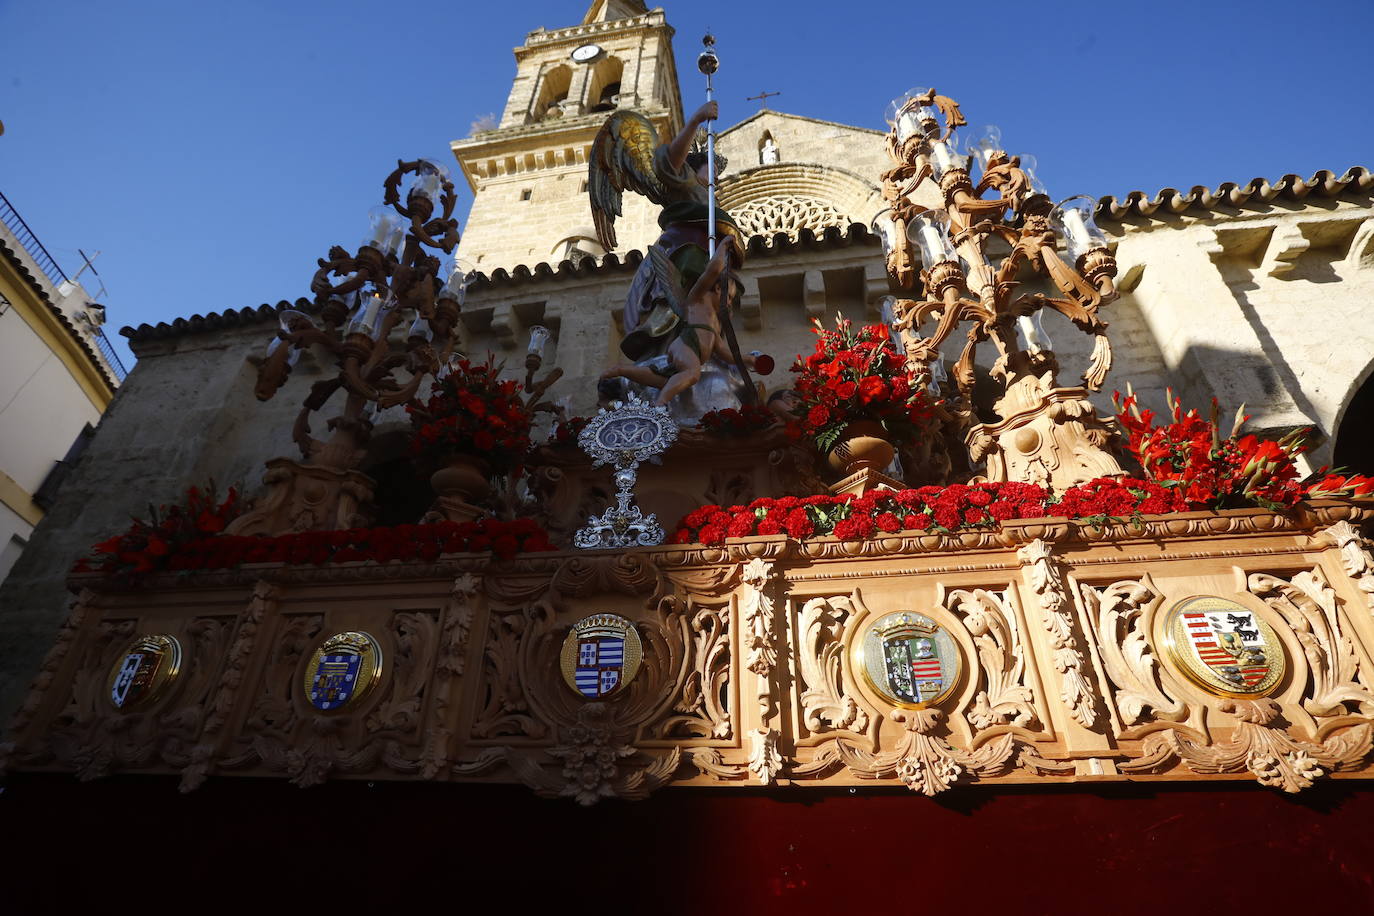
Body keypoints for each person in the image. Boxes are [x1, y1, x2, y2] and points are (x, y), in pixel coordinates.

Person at [603, 241, 758, 407]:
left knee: (664, 378)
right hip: (685, 344)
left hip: (691, 350)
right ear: (719, 288)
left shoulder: (714, 326)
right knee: (692, 374)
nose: (729, 303)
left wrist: (750, 360)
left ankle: (622, 370)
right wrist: (723, 246)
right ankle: (660, 404)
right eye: (729, 297)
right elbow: (713, 269)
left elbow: (724, 354)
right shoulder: (696, 300)